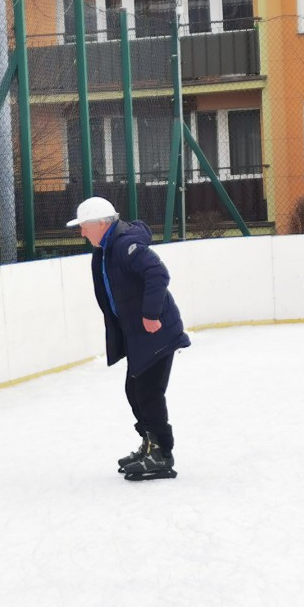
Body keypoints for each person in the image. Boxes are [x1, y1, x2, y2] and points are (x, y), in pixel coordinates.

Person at [66, 196, 191, 481]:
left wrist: (150, 314)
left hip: (156, 332)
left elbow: (157, 273)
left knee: (147, 393)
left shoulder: (124, 246)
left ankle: (161, 454)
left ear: (101, 223)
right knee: (134, 392)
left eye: (84, 226)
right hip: (138, 334)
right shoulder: (108, 248)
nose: (82, 233)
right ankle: (150, 444)